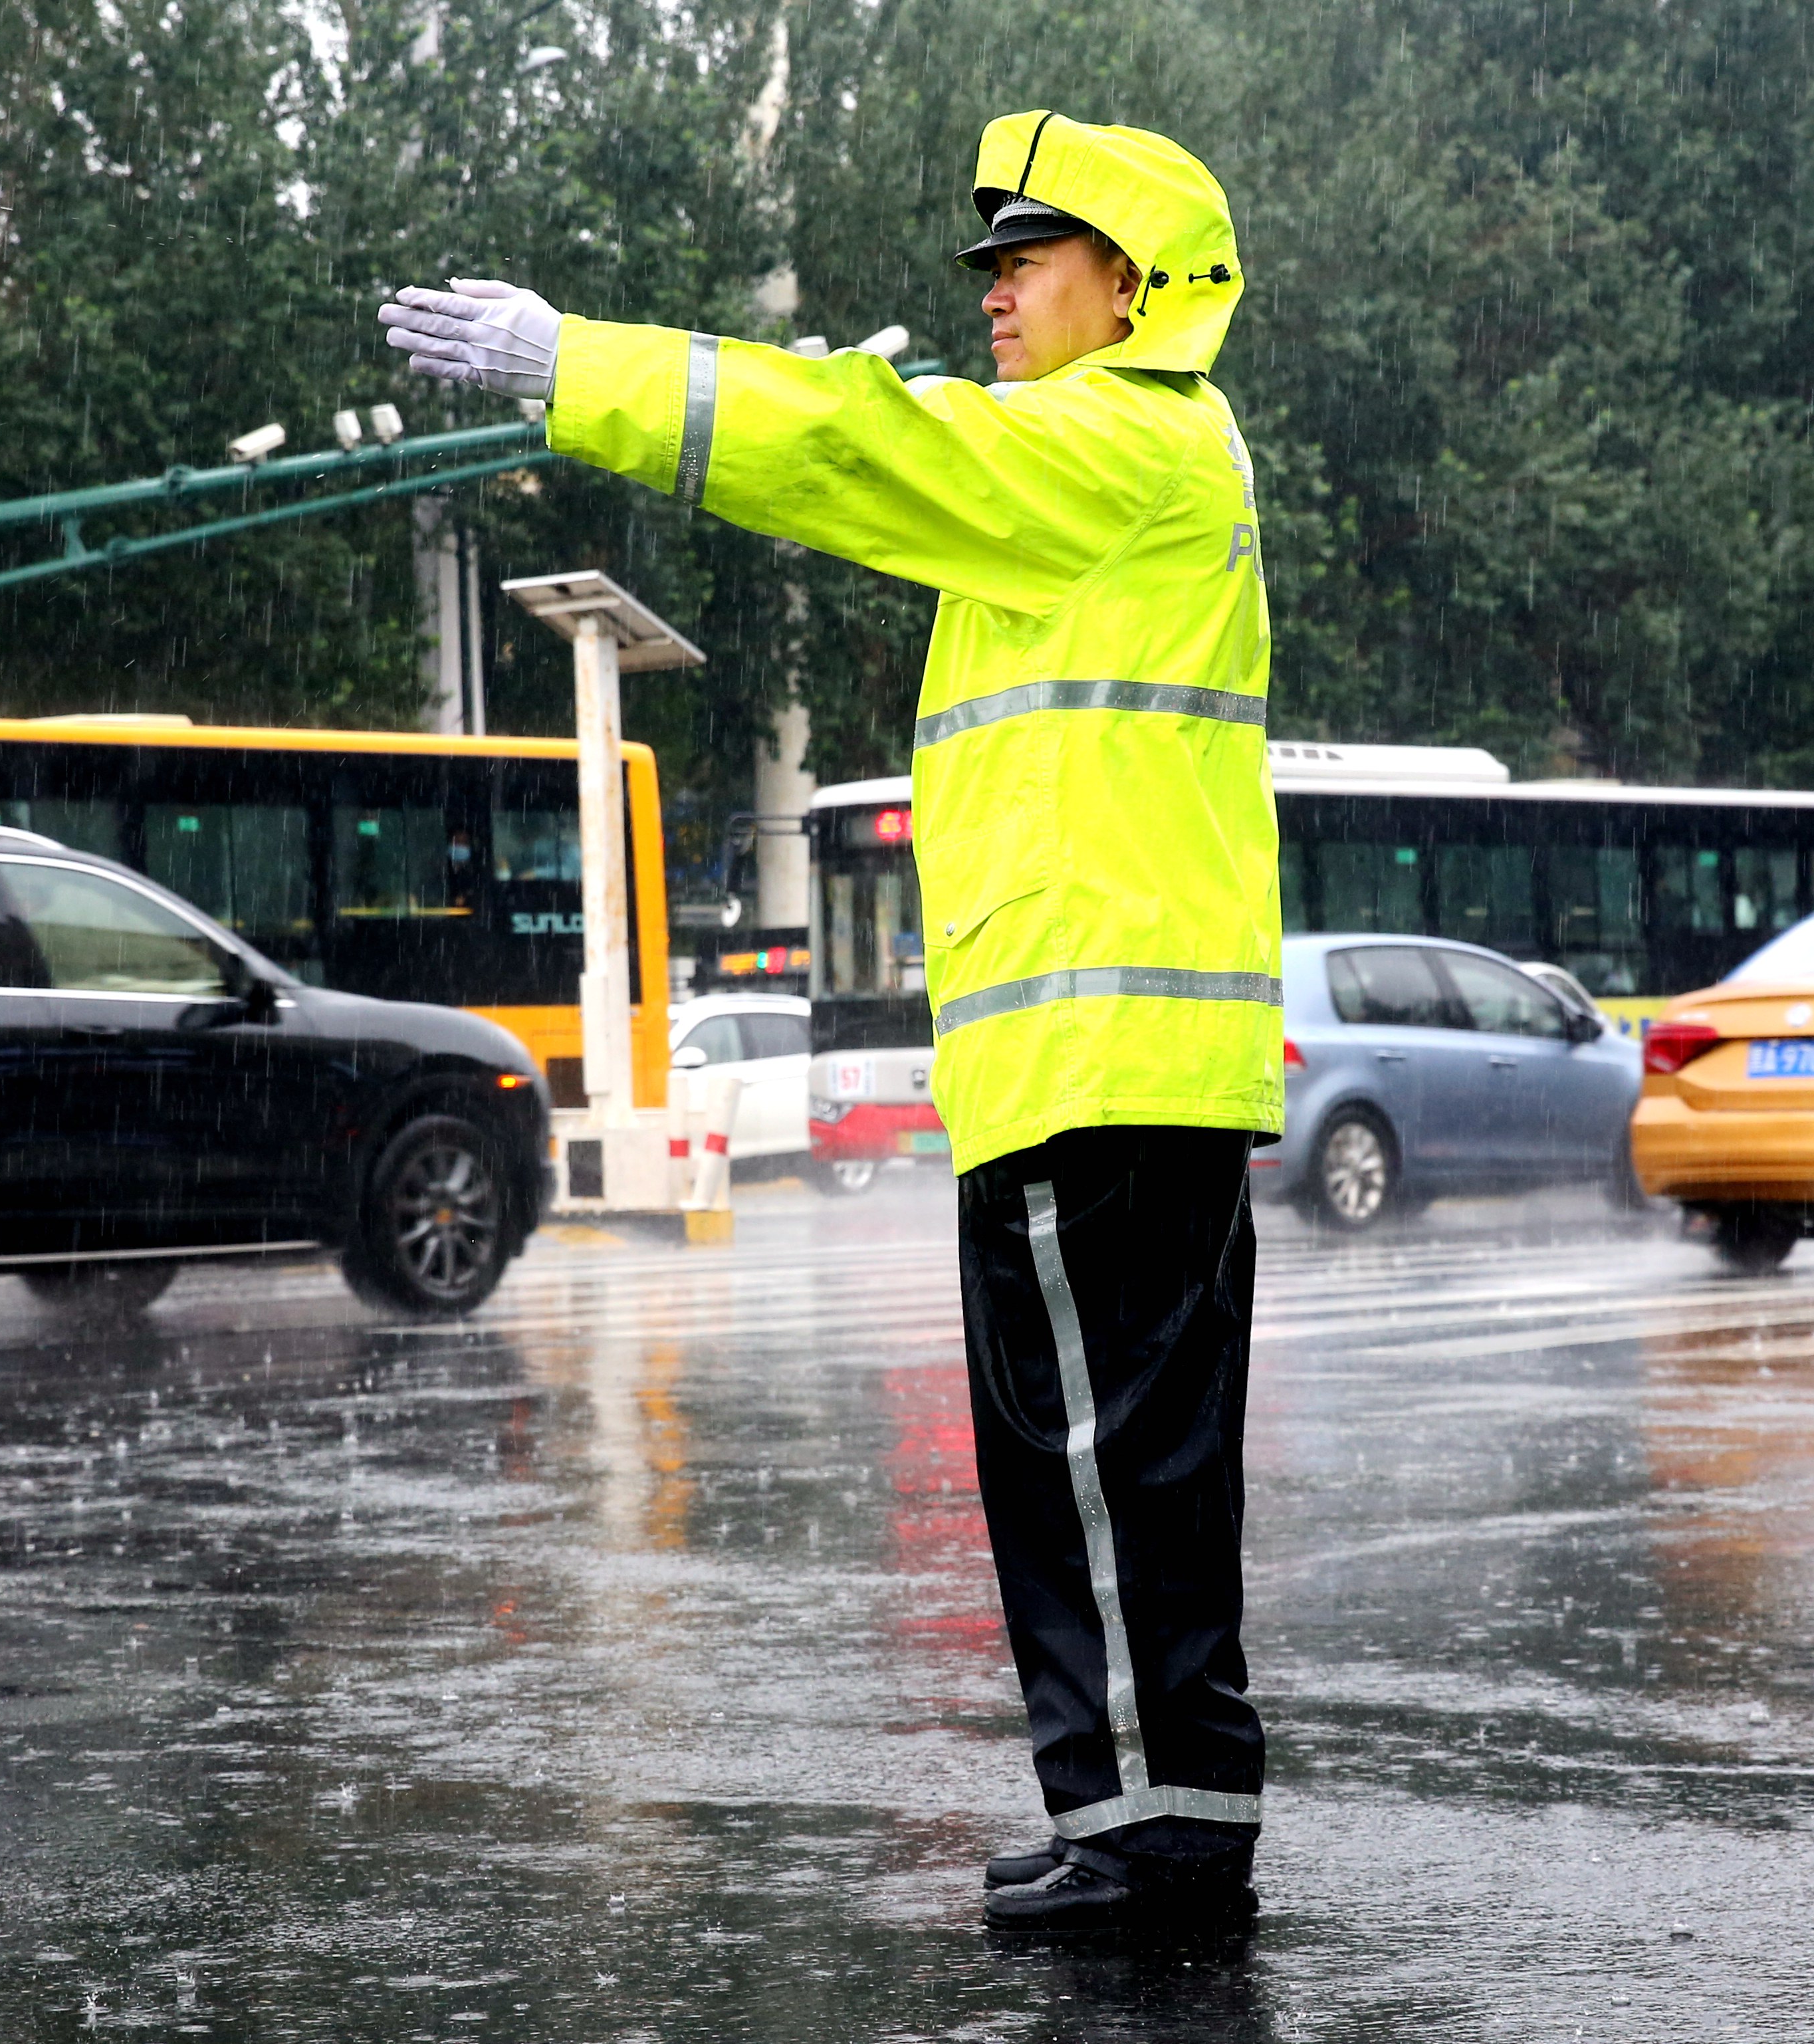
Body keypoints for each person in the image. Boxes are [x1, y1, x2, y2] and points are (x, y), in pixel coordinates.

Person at [381, 112, 1278, 1936]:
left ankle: (1159, 1836)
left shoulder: (1128, 447)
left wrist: (590, 373)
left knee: (1097, 1469)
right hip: (1106, 1067)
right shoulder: (1114, 464)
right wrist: (853, 415)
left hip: (1099, 1068)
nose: (997, 298)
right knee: (1111, 1472)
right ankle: (1142, 1808)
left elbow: (861, 454)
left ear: (1132, 284)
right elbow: (886, 453)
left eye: (1027, 265)